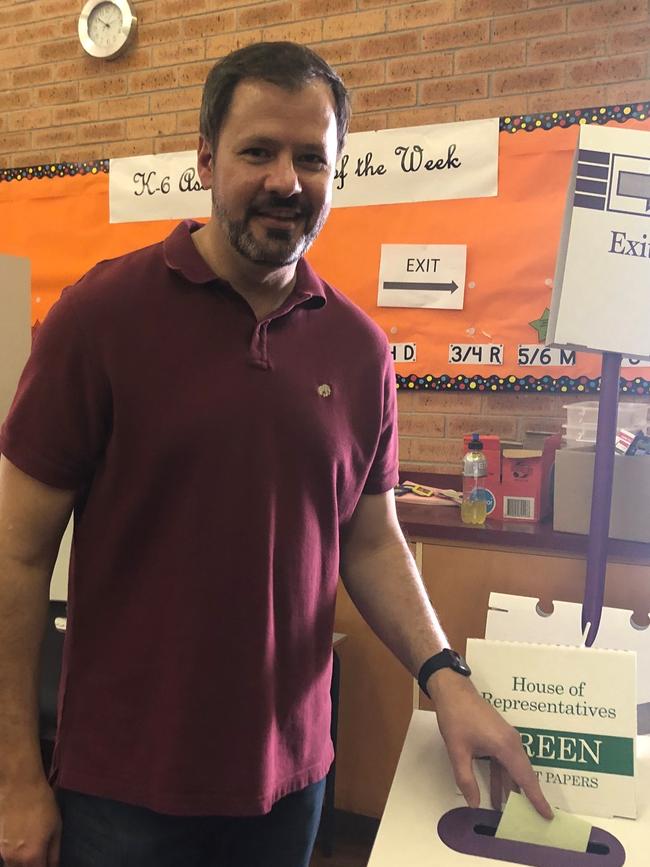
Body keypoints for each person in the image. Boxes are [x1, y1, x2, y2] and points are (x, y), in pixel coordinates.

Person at [0, 41, 551, 867]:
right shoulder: (100, 318)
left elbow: (370, 538)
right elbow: (14, 553)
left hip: (291, 786)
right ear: (204, 159)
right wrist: (14, 774)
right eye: (257, 151)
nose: (285, 181)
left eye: (310, 158)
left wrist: (446, 676)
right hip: (121, 788)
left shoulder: (359, 349)